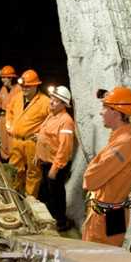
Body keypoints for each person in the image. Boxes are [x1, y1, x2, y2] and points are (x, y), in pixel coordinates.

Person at [82, 86, 131, 247]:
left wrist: (94, 165)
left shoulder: (123, 144)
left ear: (115, 113)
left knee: (98, 259)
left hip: (107, 217)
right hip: (114, 212)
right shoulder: (120, 139)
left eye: (104, 107)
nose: (101, 112)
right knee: (105, 255)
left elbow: (90, 180)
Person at [35, 85, 75, 231]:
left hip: (55, 165)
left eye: (56, 100)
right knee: (47, 194)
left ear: (64, 104)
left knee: (56, 195)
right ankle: (49, 219)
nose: (51, 102)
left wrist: (55, 168)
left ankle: (60, 222)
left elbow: (65, 149)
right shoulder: (51, 116)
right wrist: (37, 155)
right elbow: (43, 136)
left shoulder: (66, 121)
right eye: (52, 98)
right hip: (46, 162)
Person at [6, 69, 50, 197]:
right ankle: (13, 195)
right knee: (14, 169)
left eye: (28, 86)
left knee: (33, 172)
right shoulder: (17, 97)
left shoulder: (44, 101)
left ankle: (30, 199)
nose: (24, 88)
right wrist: (8, 124)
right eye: (23, 86)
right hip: (17, 141)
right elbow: (9, 110)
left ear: (36, 85)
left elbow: (52, 119)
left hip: (32, 143)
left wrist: (43, 134)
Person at [0, 65, 20, 160]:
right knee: (3, 141)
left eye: (4, 77)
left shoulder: (18, 89)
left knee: (12, 142)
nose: (2, 80)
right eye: (2, 77)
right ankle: (4, 162)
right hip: (3, 118)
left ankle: (14, 163)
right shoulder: (3, 89)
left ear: (11, 78)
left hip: (13, 119)